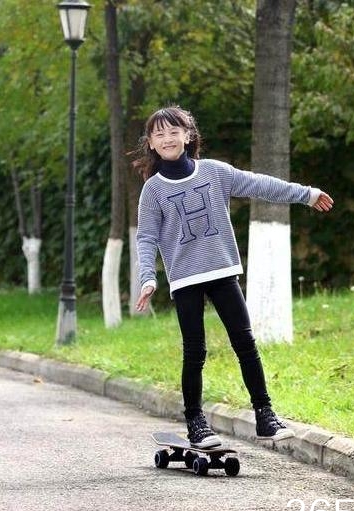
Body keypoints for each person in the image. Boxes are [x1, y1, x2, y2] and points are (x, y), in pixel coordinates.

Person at [133, 106, 333, 448]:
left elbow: (260, 184)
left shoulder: (215, 172)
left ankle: (265, 416)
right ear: (151, 142)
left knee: (245, 344)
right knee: (195, 351)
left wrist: (307, 194)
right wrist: (148, 277)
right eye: (159, 134)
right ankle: (196, 423)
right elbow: (147, 237)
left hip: (222, 270)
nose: (167, 139)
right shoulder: (153, 190)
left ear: (188, 135)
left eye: (174, 131)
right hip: (185, 280)